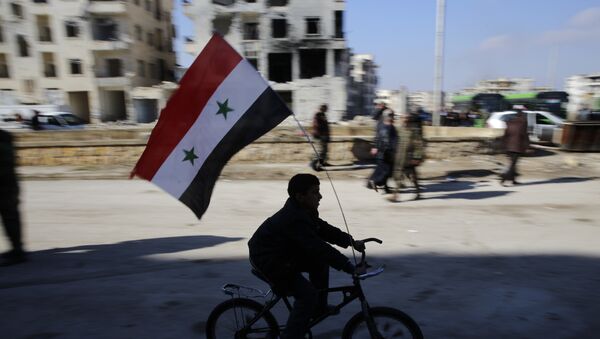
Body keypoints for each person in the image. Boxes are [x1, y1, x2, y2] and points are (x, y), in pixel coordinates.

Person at [248, 174, 365, 339]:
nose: (320, 196)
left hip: (284, 253)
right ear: (300, 196)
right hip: (268, 259)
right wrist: (349, 267)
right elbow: (318, 247)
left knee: (320, 263)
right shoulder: (293, 218)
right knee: (307, 295)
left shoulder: (304, 210)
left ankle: (319, 308)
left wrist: (351, 241)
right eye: (315, 192)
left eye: (319, 191)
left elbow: (323, 229)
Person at [0, 129, 26, 266]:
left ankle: (17, 251)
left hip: (5, 185)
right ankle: (17, 249)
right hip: (8, 184)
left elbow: (5, 163)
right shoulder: (4, 136)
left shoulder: (3, 138)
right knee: (10, 218)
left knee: (10, 218)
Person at [390, 113, 425, 202]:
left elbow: (418, 145)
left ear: (409, 119)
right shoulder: (400, 129)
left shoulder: (414, 130)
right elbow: (397, 142)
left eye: (406, 118)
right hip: (400, 156)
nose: (404, 120)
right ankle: (396, 195)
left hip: (409, 157)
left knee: (412, 176)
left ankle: (417, 192)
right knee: (398, 174)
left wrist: (417, 158)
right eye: (403, 118)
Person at [367, 112, 397, 193]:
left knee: (382, 169)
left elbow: (377, 137)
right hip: (387, 152)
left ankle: (383, 187)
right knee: (387, 170)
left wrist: (374, 147)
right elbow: (392, 141)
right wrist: (395, 151)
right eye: (392, 117)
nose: (393, 118)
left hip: (381, 152)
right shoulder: (391, 128)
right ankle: (375, 182)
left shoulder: (380, 126)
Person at [500, 105, 529, 185]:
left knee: (513, 163)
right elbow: (524, 134)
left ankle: (513, 180)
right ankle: (504, 177)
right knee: (513, 164)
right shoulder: (523, 122)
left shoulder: (509, 122)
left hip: (508, 146)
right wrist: (527, 145)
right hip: (517, 146)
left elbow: (505, 135)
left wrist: (503, 145)